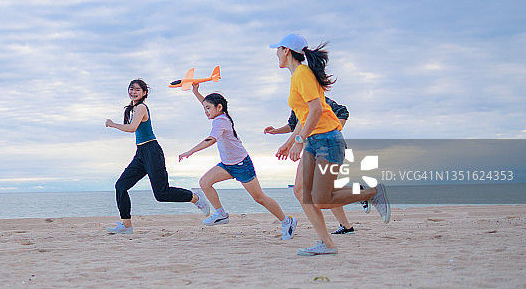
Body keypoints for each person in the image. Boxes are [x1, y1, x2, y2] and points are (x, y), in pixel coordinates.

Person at [270, 33, 390, 256]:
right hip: (314, 141)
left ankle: (371, 193)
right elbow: (304, 116)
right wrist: (289, 142)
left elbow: (316, 110)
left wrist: (299, 141)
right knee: (300, 191)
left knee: (322, 200)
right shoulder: (297, 76)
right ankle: (326, 244)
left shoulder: (302, 74)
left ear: (286, 51)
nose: (275, 53)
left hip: (327, 140)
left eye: (278, 49)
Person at [179, 83, 297, 240]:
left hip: (241, 164)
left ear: (219, 107)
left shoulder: (221, 120)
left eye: (208, 108)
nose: (206, 111)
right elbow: (208, 104)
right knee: (205, 182)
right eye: (205, 108)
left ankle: (287, 221)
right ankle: (221, 214)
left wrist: (190, 151)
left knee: (259, 198)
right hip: (227, 164)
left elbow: (211, 139)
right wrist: (196, 92)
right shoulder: (219, 115)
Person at [105, 79, 210, 234]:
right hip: (141, 153)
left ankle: (195, 197)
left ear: (144, 93)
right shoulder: (134, 108)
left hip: (152, 152)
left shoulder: (141, 107)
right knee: (121, 186)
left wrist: (112, 124)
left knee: (161, 194)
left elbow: (132, 128)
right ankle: (126, 225)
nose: (133, 92)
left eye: (137, 90)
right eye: (131, 89)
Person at [265, 97, 370, 235]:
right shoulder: (297, 102)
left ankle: (360, 195)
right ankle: (346, 225)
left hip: (326, 146)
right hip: (314, 148)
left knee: (313, 190)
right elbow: (294, 125)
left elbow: (342, 111)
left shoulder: (315, 98)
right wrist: (276, 131)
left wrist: (331, 131)